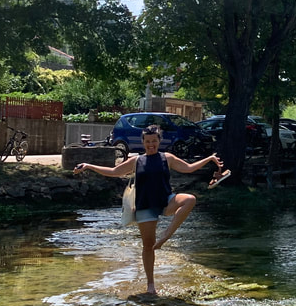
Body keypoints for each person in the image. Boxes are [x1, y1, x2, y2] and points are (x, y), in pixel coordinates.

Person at [74, 124, 224, 295]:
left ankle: (165, 236)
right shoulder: (137, 161)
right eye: (147, 142)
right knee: (148, 247)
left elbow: (189, 168)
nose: (151, 144)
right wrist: (89, 166)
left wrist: (209, 158)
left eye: (154, 141)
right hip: (145, 205)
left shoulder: (167, 158)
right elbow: (114, 171)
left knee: (190, 199)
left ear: (159, 141)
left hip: (166, 201)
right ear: (143, 142)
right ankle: (150, 285)